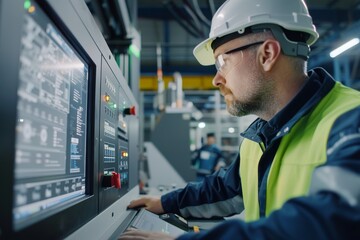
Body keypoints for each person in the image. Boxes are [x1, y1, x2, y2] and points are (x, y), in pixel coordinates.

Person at [119, 0, 360, 239]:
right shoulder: (261, 135)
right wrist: (164, 202)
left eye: (222, 62)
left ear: (267, 54)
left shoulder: (350, 121)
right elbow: (227, 190)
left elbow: (330, 223)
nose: (216, 79)